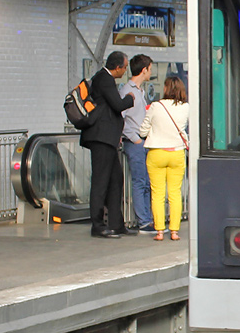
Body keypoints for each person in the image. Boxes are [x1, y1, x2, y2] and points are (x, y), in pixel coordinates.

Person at [80, 51, 134, 238]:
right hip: (101, 138)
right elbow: (118, 104)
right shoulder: (104, 79)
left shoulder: (103, 79)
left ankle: (116, 224)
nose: (125, 70)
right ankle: (97, 225)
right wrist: (130, 99)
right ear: (117, 67)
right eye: (125, 67)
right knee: (101, 181)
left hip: (108, 139)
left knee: (115, 180)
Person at [138, 76, 189, 242]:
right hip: (176, 153)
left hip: (157, 153)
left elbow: (143, 131)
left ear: (166, 89)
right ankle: (174, 231)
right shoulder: (186, 108)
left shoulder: (156, 106)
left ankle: (159, 231)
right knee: (175, 193)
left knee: (157, 193)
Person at [120, 54, 155, 234]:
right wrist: (135, 139)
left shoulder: (140, 91)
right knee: (140, 181)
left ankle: (147, 219)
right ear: (144, 69)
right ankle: (143, 221)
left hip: (142, 142)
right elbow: (122, 118)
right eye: (150, 69)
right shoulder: (128, 91)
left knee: (147, 182)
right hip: (135, 143)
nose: (151, 72)